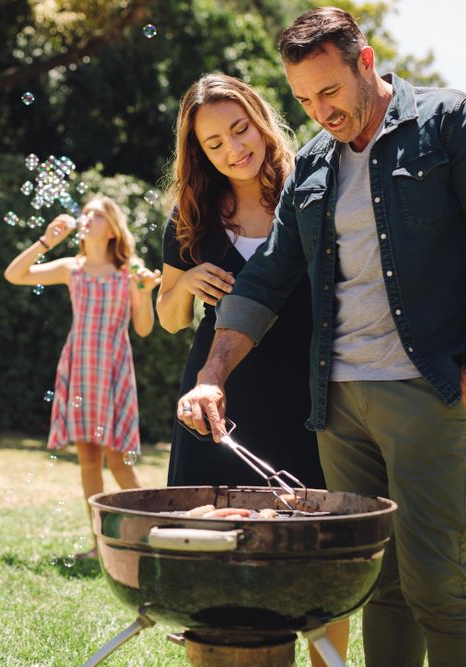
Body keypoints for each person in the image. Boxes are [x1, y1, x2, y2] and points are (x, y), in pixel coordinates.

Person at [177, 7, 466, 667]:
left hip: (428, 391)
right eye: (304, 100)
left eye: (329, 91)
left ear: (365, 63)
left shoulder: (455, 125)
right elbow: (262, 283)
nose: (320, 111)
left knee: (440, 586)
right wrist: (212, 373)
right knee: (379, 586)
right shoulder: (314, 167)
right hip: (339, 409)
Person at [155, 72, 348, 667]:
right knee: (212, 551)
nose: (234, 149)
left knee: (317, 554)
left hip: (307, 395)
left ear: (261, 119)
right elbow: (167, 318)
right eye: (215, 143)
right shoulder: (193, 217)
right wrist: (184, 282)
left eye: (240, 130)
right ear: (199, 154)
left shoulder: (314, 188)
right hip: (220, 401)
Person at [4, 195, 161, 559]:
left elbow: (143, 329)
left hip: (114, 369)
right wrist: (47, 241)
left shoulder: (131, 269)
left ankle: (147, 537)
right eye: (86, 212)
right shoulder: (71, 268)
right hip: (81, 367)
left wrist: (145, 294)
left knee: (119, 460)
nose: (88, 217)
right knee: (89, 459)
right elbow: (14, 275)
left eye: (98, 214)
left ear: (112, 229)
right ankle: (100, 545)